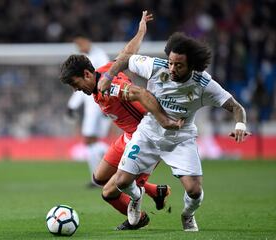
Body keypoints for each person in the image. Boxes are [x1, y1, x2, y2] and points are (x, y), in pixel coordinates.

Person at [98, 11, 251, 231]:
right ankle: (136, 197)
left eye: (178, 65)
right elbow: (125, 58)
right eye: (170, 62)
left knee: (194, 191)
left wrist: (240, 125)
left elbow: (236, 107)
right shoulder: (156, 66)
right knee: (121, 182)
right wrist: (108, 76)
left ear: (192, 66)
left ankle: (188, 215)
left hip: (180, 139)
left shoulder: (204, 84)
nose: (172, 69)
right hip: (148, 134)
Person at [60, 11, 184, 230]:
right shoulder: (105, 72)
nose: (76, 90)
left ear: (87, 75)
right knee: (98, 177)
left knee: (108, 192)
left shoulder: (109, 89)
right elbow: (128, 52)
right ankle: (157, 191)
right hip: (128, 136)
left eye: (75, 83)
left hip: (147, 140)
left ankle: (139, 218)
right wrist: (141, 30)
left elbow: (137, 93)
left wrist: (164, 121)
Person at [66, 33, 112, 187]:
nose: (79, 47)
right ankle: (98, 177)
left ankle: (117, 156)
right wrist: (72, 105)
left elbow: (107, 78)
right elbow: (79, 88)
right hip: (91, 106)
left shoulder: (100, 56)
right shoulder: (83, 58)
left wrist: (107, 106)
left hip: (99, 105)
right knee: (90, 142)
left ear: (87, 40)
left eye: (80, 43)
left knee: (89, 140)